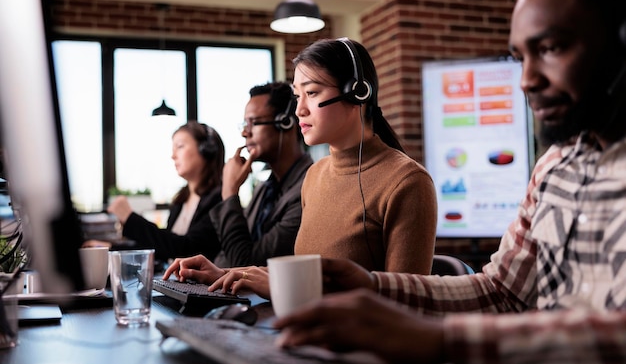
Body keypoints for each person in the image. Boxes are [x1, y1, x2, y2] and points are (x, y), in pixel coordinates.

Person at [271, 0, 626, 363]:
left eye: (550, 48)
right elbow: (502, 290)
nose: (526, 81)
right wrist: (372, 287)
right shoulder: (555, 168)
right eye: (519, 58)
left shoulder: (405, 180)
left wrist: (438, 340)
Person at [164, 38, 438, 296]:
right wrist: (227, 273)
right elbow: (306, 276)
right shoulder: (315, 175)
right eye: (298, 96)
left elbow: (405, 303)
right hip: (300, 330)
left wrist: (282, 289)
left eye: (312, 92)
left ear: (357, 92)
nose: (299, 110)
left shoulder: (408, 182)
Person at [83, 121, 225, 265]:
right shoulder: (182, 200)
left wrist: (130, 218)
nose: (173, 156)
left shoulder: (219, 199)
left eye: (180, 147)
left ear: (206, 150)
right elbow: (163, 248)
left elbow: (187, 249)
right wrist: (111, 248)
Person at [209, 81, 314, 267]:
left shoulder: (309, 189)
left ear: (286, 122)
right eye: (244, 124)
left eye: (254, 123)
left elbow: (245, 263)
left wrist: (229, 192)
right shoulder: (264, 189)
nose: (244, 133)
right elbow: (229, 253)